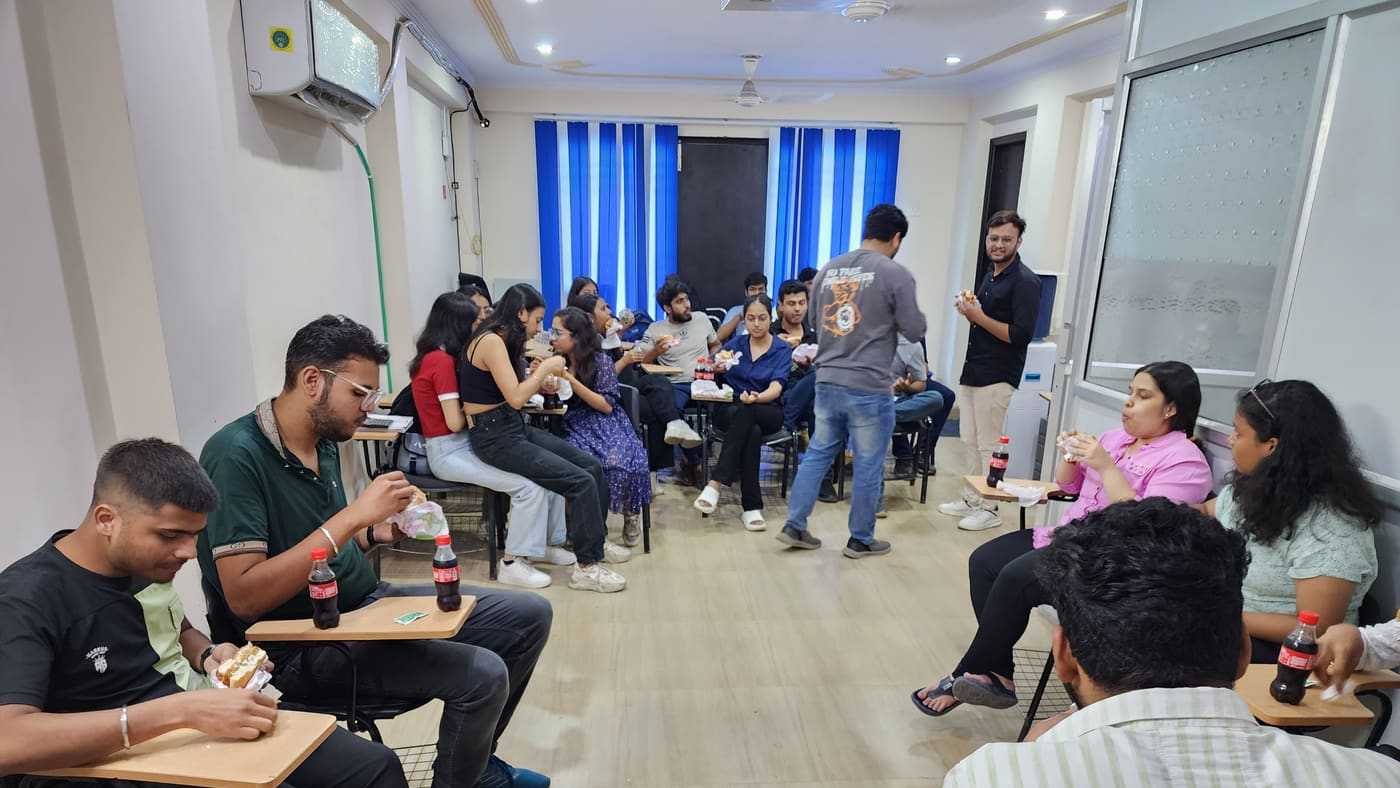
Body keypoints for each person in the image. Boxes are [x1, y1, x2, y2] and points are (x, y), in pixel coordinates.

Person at [197, 314, 555, 788]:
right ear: (312, 382)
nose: (370, 406)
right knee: (483, 674)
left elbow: (325, 548)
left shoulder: (323, 442)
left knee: (528, 614)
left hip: (361, 605)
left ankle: (474, 766)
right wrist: (353, 519)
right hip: (297, 644)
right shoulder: (235, 456)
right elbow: (243, 596)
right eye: (360, 393)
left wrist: (373, 534)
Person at [0, 439, 407, 788]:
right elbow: (9, 741)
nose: (187, 552)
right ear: (107, 519)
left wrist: (210, 655)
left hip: (184, 724)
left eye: (194, 535)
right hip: (109, 763)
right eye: (170, 535)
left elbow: (178, 628)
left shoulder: (138, 565)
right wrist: (178, 712)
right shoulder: (27, 598)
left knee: (373, 767)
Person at [943, 498, 1400, 787]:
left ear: (1064, 656)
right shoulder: (1377, 775)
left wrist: (1039, 758)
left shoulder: (991, 775)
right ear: (1243, 650)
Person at [915, 361, 1212, 715]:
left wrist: (1105, 466)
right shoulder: (1116, 439)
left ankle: (966, 672)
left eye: (1142, 396)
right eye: (1130, 392)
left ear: (1171, 408)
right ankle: (999, 673)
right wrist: (1070, 457)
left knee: (1016, 577)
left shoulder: (1184, 461)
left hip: (1114, 562)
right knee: (985, 561)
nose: (1128, 402)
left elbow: (1147, 524)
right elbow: (1068, 487)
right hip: (1070, 538)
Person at [776, 204, 927, 559]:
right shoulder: (895, 274)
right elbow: (914, 329)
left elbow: (813, 320)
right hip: (869, 385)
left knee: (817, 453)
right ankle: (860, 538)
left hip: (827, 380)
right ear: (896, 237)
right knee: (869, 461)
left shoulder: (829, 269)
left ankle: (795, 525)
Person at [460, 284, 632, 588]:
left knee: (590, 466)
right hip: (494, 436)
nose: (539, 328)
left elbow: (510, 393)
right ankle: (587, 567)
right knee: (579, 481)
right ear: (521, 313)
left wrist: (540, 382)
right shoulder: (490, 341)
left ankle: (592, 542)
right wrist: (544, 372)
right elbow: (514, 397)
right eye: (538, 320)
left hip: (511, 426)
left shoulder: (501, 341)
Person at [1200, 379, 1381, 663]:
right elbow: (1208, 512)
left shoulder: (1332, 528)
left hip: (1287, 653)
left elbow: (1314, 628)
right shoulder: (1255, 488)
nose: (1229, 440)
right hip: (1233, 623)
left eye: (1238, 433)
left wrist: (1218, 617)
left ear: (1270, 446)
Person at [409, 291, 572, 589]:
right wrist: (478, 405)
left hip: (463, 444)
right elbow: (455, 421)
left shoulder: (435, 357)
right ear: (457, 324)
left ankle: (540, 546)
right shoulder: (441, 363)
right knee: (527, 488)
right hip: (448, 451)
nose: (479, 327)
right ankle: (513, 562)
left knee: (546, 474)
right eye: (475, 321)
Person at [939, 210, 1043, 531]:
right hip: (975, 368)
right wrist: (969, 310)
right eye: (994, 238)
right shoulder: (992, 274)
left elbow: (1019, 334)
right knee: (969, 440)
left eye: (1006, 239)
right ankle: (973, 497)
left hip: (998, 374)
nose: (998, 244)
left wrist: (978, 316)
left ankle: (991, 507)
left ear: (1019, 241)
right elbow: (982, 316)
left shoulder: (1026, 282)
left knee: (988, 444)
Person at [549, 306, 653, 547]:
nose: (552, 337)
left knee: (622, 459)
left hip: (606, 420)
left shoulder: (601, 361)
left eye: (558, 332)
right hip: (572, 422)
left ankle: (630, 511)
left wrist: (570, 380)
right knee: (584, 463)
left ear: (575, 336)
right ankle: (588, 528)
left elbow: (606, 406)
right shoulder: (555, 360)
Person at [569, 292, 701, 473]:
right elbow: (598, 379)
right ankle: (658, 467)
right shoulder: (584, 344)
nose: (609, 312)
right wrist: (625, 360)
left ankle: (675, 425)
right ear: (590, 318)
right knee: (656, 411)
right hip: (611, 394)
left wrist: (618, 337)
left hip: (629, 384)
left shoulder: (606, 335)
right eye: (603, 308)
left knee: (660, 381)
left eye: (608, 306)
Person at [692, 294, 793, 531]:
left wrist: (758, 398)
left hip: (767, 407)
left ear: (771, 318)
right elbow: (705, 369)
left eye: (762, 318)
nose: (756, 324)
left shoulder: (781, 349)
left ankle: (716, 482)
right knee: (751, 430)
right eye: (750, 318)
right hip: (732, 407)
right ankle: (751, 507)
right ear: (743, 320)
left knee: (751, 415)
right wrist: (714, 368)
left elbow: (776, 388)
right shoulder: (735, 345)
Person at [637, 278, 721, 487]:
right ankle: (696, 462)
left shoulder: (702, 319)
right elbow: (641, 361)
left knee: (726, 409)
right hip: (676, 382)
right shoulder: (656, 329)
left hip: (705, 379)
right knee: (670, 409)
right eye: (680, 301)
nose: (687, 304)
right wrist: (657, 350)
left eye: (687, 299)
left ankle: (701, 462)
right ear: (667, 307)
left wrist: (712, 359)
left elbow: (716, 344)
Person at [888, 335, 945, 480]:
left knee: (936, 398)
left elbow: (921, 384)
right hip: (865, 398)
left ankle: (876, 414)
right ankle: (904, 456)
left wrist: (907, 387)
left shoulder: (910, 344)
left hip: (897, 400)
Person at [716, 271, 769, 342]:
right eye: (752, 289)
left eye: (760, 289)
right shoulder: (736, 310)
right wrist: (739, 317)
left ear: (766, 291)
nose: (757, 293)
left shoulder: (773, 310)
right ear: (746, 293)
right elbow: (719, 337)